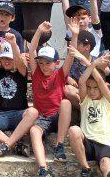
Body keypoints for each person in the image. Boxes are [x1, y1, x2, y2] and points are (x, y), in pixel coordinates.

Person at [28, 21, 77, 177]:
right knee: (34, 131)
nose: (43, 66)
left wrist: (74, 35)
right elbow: (31, 50)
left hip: (58, 116)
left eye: (47, 63)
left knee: (66, 102)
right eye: (41, 63)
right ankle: (43, 169)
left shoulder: (60, 74)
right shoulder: (36, 74)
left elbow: (71, 55)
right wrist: (38, 31)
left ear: (56, 63)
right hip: (42, 117)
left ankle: (59, 145)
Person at [0, 35, 37, 158]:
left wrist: (13, 44)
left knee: (33, 112)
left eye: (10, 59)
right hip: (1, 115)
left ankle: (6, 145)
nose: (7, 61)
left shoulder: (21, 72)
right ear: (0, 60)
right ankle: (16, 145)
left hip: (19, 113)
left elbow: (19, 61)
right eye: (4, 58)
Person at [67, 56, 110, 177]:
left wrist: (89, 62)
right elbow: (81, 82)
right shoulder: (85, 100)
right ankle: (85, 169)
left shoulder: (108, 101)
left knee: (106, 165)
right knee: (73, 130)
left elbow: (100, 81)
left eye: (95, 88)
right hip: (88, 144)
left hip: (105, 144)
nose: (91, 91)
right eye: (89, 87)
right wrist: (91, 65)